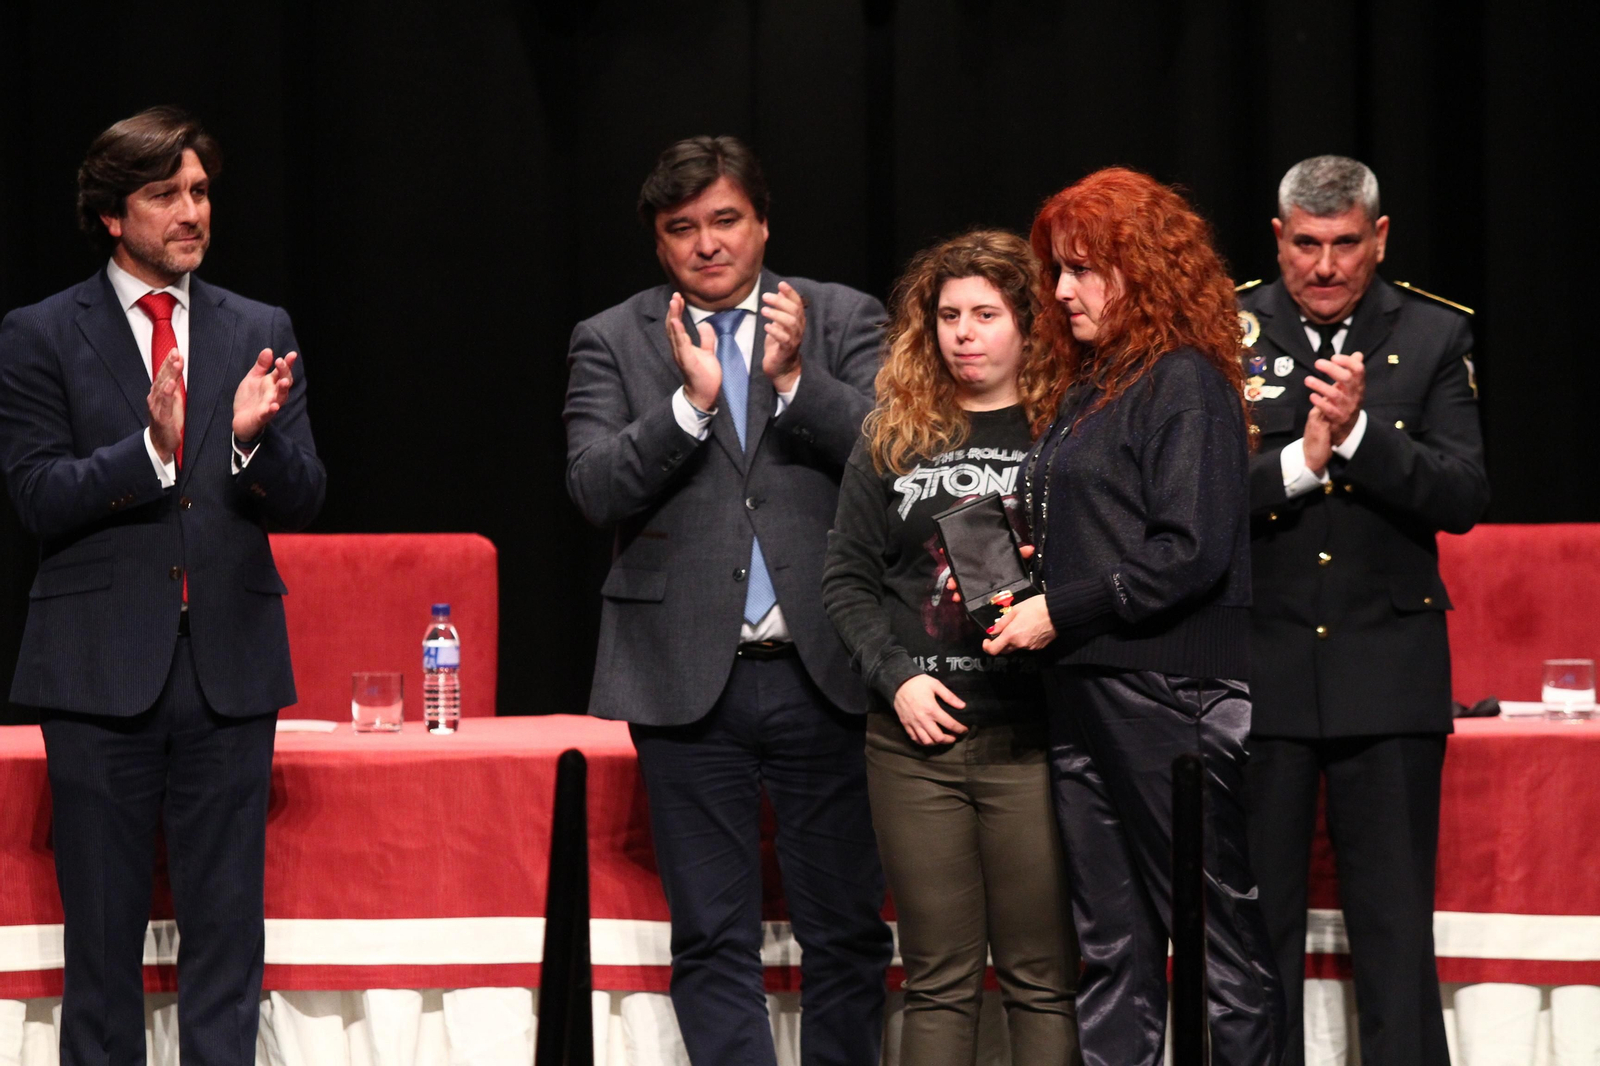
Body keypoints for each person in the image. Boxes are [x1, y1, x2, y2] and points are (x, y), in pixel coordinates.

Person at [0, 107, 324, 1066]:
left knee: (227, 942)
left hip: (228, 665)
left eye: (200, 192)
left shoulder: (259, 328)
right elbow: (35, 494)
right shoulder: (39, 333)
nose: (192, 212)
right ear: (111, 215)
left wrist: (248, 440)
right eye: (165, 195)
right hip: (97, 670)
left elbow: (304, 498)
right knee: (101, 945)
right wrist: (150, 450)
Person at [563, 135, 893, 1066]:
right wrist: (687, 410)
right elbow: (593, 488)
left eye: (725, 221)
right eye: (682, 229)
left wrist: (794, 383)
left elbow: (900, 459)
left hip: (826, 667)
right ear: (659, 243)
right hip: (681, 677)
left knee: (846, 932)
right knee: (710, 936)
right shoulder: (613, 336)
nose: (707, 244)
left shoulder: (839, 318)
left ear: (761, 222)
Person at [977, 168, 1285, 1066]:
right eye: (1058, 271)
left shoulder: (1182, 380)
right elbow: (1096, 531)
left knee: (1215, 940)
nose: (1061, 292)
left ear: (1141, 270)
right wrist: (1017, 578)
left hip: (1168, 691)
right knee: (1111, 941)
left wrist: (1055, 609)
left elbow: (1189, 551)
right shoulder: (1094, 386)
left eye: (1081, 270)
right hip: (1086, 682)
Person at [1239, 155, 1489, 1066]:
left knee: (1393, 928)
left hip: (1388, 669)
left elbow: (1464, 493)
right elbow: (1195, 497)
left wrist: (1360, 437)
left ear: (1379, 237)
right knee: (1254, 930)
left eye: (1346, 244)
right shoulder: (1223, 330)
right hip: (1259, 668)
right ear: (1278, 238)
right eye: (1306, 245)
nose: (1326, 265)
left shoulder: (1432, 337)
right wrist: (1300, 464)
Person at [823, 230, 1082, 1066]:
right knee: (937, 976)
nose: (964, 333)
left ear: (1029, 324)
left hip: (1033, 736)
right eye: (947, 316)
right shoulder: (894, 434)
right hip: (914, 742)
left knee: (1041, 976)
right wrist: (894, 681)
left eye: (986, 314)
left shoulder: (1069, 430)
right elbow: (847, 582)